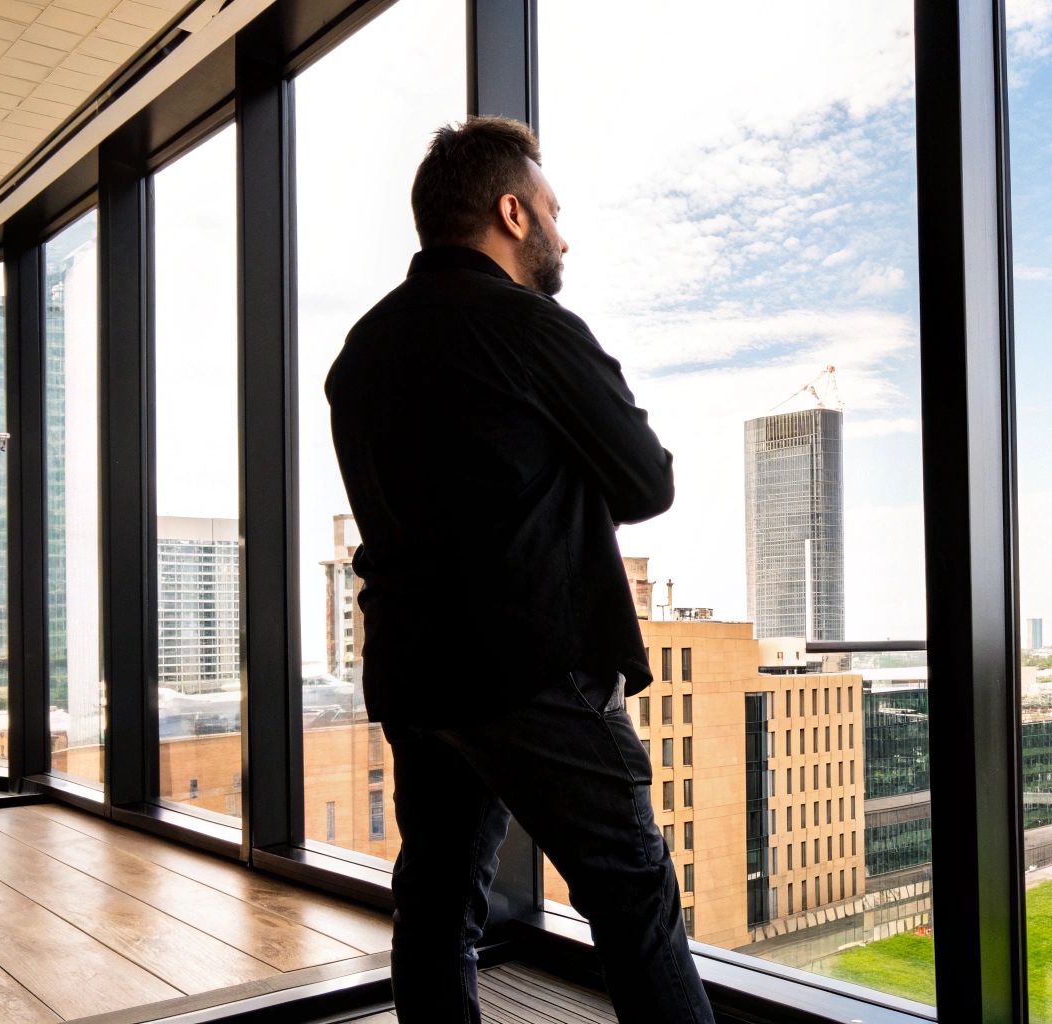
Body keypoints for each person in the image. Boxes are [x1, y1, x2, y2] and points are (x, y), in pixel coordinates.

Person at [324, 115, 715, 1023]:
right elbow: (647, 481)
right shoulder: (532, 327)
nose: (562, 235)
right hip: (531, 665)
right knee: (634, 901)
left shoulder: (360, 352)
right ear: (512, 212)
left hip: (419, 672)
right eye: (553, 211)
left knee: (435, 906)